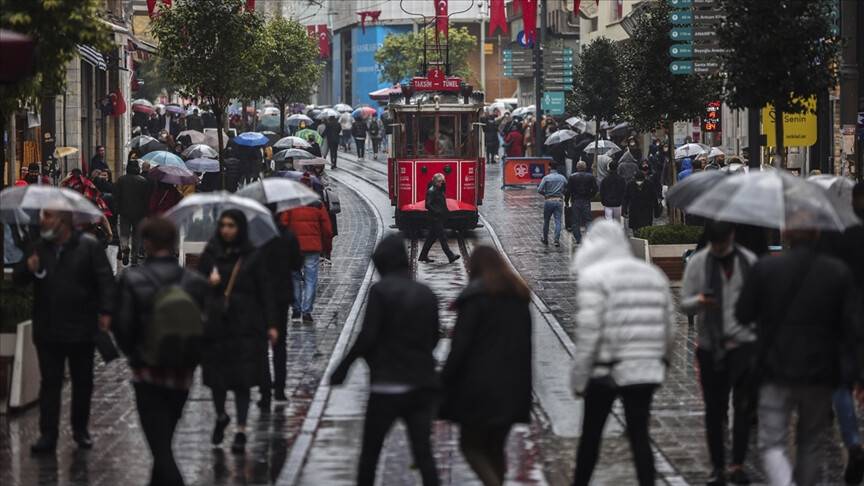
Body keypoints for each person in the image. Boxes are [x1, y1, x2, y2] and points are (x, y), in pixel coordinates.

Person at [735, 218, 861, 486]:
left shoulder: (765, 268)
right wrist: (855, 371)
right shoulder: (836, 272)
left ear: (787, 234)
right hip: (820, 370)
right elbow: (851, 327)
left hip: (774, 368)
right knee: (811, 442)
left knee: (772, 443)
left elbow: (742, 314)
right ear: (816, 233)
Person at [330, 234, 441, 486]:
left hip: (386, 385)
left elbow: (367, 336)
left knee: (370, 454)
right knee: (423, 454)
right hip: (421, 385)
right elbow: (434, 337)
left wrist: (343, 368)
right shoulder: (426, 293)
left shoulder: (380, 292)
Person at [569, 220, 674, 486]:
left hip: (606, 370)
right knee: (640, 437)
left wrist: (579, 379)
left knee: (591, 437)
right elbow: (669, 326)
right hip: (645, 371)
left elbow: (589, 333)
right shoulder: (653, 274)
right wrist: (663, 362)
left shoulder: (594, 277)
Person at [113, 218, 207, 486]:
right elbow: (206, 325)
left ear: (147, 243)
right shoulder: (194, 281)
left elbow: (123, 328)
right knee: (163, 440)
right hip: (182, 374)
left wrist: (136, 355)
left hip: (148, 372)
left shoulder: (132, 279)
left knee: (161, 448)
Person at [13, 209, 114, 453]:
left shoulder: (88, 246)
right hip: (48, 328)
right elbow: (18, 278)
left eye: (49, 215)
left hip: (82, 327)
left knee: (82, 382)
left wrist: (106, 312)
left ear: (64, 221)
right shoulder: (38, 247)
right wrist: (28, 268)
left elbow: (105, 281)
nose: (43, 220)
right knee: (50, 383)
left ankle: (80, 430)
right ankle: (48, 434)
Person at [440, 246, 532, 486]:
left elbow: (459, 349)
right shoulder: (519, 297)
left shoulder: (474, 299)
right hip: (512, 386)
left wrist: (443, 382)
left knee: (469, 445)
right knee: (495, 447)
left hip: (479, 388)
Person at [681, 221, 758, 486]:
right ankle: (717, 466)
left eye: (723, 243)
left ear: (731, 237)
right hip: (710, 345)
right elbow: (684, 303)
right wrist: (699, 301)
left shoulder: (748, 262)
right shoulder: (698, 263)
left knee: (743, 407)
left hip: (743, 344)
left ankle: (738, 464)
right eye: (715, 244)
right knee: (715, 409)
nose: (719, 249)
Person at [196, 210, 277, 454]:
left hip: (245, 326)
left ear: (240, 228)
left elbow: (265, 290)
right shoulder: (211, 254)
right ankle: (221, 415)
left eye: (231, 225)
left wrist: (272, 324)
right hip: (217, 326)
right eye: (223, 225)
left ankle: (241, 429)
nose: (226, 230)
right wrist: (208, 283)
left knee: (242, 380)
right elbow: (196, 288)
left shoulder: (252, 255)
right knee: (217, 380)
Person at [260, 209, 302, 407]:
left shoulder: (257, 237)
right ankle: (280, 389)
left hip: (260, 296)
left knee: (261, 346)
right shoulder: (288, 235)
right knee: (280, 344)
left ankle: (265, 391)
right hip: (281, 296)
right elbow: (297, 264)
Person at [279, 198, 333, 323]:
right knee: (310, 279)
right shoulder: (317, 205)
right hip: (313, 247)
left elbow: (283, 226)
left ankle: (296, 309)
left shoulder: (289, 205)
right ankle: (307, 311)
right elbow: (327, 231)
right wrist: (327, 248)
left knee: (294, 278)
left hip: (294, 247)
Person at [418, 173, 460, 264]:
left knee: (431, 238)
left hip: (438, 217)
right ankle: (450, 256)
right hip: (435, 218)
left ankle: (422, 256)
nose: (442, 183)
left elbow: (444, 188)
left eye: (442, 181)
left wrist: (443, 182)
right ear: (435, 182)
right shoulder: (431, 191)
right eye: (440, 181)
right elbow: (427, 204)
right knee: (442, 238)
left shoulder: (439, 189)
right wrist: (436, 211)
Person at [114, 160, 150, 266]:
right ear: (138, 168)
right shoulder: (143, 181)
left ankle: (125, 248)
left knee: (124, 233)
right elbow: (146, 199)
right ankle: (134, 258)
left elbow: (116, 196)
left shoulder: (121, 180)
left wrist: (117, 210)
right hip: (139, 214)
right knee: (136, 236)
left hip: (124, 212)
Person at [566, 161, 598, 244]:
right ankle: (590, 237)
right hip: (586, 200)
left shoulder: (572, 177)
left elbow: (568, 191)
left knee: (575, 221)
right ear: (585, 167)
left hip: (575, 201)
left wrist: (566, 201)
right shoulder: (590, 176)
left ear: (577, 167)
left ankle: (578, 239)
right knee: (588, 220)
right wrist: (591, 196)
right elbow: (595, 189)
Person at [537, 167, 567, 247]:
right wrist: (562, 192)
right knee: (558, 221)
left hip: (549, 200)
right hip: (559, 201)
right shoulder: (562, 177)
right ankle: (556, 240)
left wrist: (546, 194)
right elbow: (567, 187)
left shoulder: (546, 178)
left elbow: (539, 190)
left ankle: (545, 239)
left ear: (550, 169)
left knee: (546, 221)